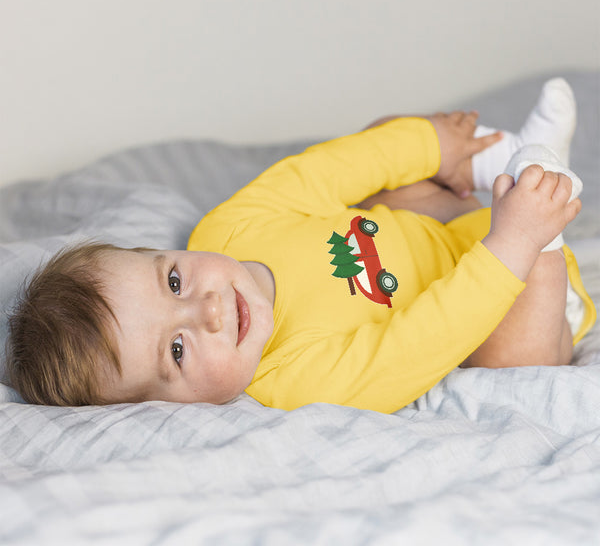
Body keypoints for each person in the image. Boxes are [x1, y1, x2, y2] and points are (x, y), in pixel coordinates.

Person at [6, 78, 596, 412]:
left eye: (175, 282)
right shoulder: (291, 379)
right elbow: (424, 341)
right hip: (503, 300)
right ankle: (543, 206)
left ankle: (510, 158)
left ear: (159, 255)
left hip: (442, 227)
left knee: (382, 140)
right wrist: (512, 244)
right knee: (511, 365)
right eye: (178, 351)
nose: (208, 310)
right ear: (168, 406)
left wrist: (425, 143)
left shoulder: (227, 230)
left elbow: (324, 173)